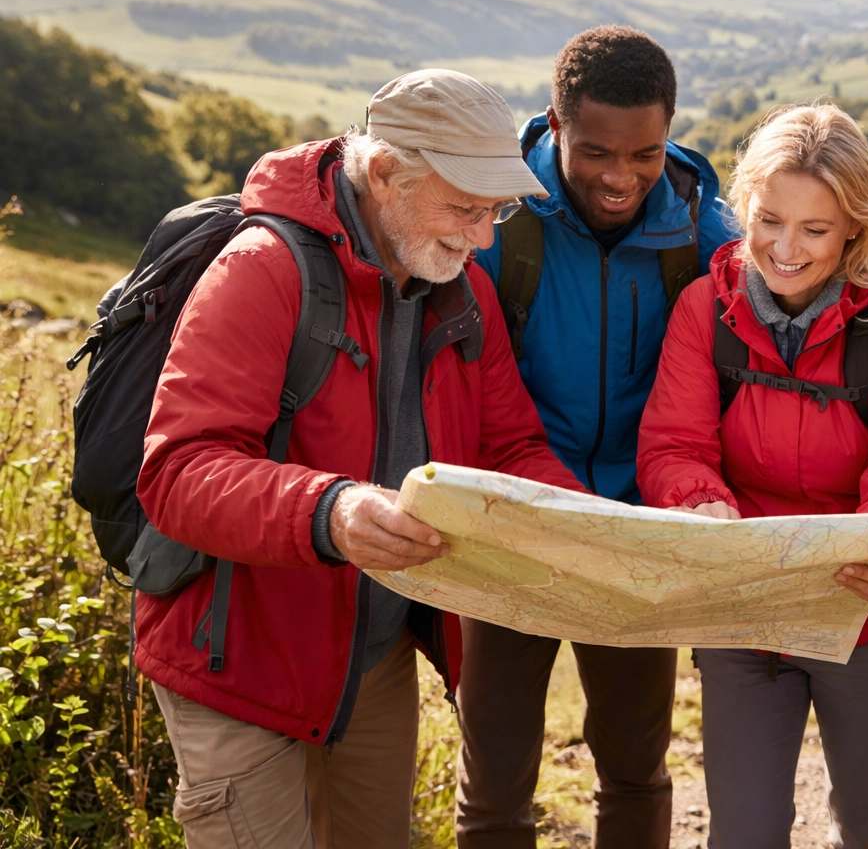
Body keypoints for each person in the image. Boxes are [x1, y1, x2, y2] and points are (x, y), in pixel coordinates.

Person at [135, 69, 584, 848]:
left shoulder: (459, 284)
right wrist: (331, 510)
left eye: (496, 212)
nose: (483, 238)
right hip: (241, 659)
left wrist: (598, 530)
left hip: (372, 664)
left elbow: (510, 446)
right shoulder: (264, 270)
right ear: (384, 173)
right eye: (464, 207)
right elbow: (179, 470)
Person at [636, 103, 868, 849]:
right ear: (744, 206)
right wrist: (699, 503)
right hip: (743, 604)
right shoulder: (702, 311)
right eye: (768, 220)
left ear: (855, 228)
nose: (785, 248)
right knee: (743, 830)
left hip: (867, 614)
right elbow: (673, 444)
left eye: (814, 230)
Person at [458, 26, 735, 848]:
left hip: (633, 527)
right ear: (554, 122)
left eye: (644, 154)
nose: (620, 177)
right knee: (497, 782)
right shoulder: (498, 221)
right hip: (511, 521)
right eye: (596, 152)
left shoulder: (700, 233)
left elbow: (807, 291)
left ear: (669, 134)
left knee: (634, 769)